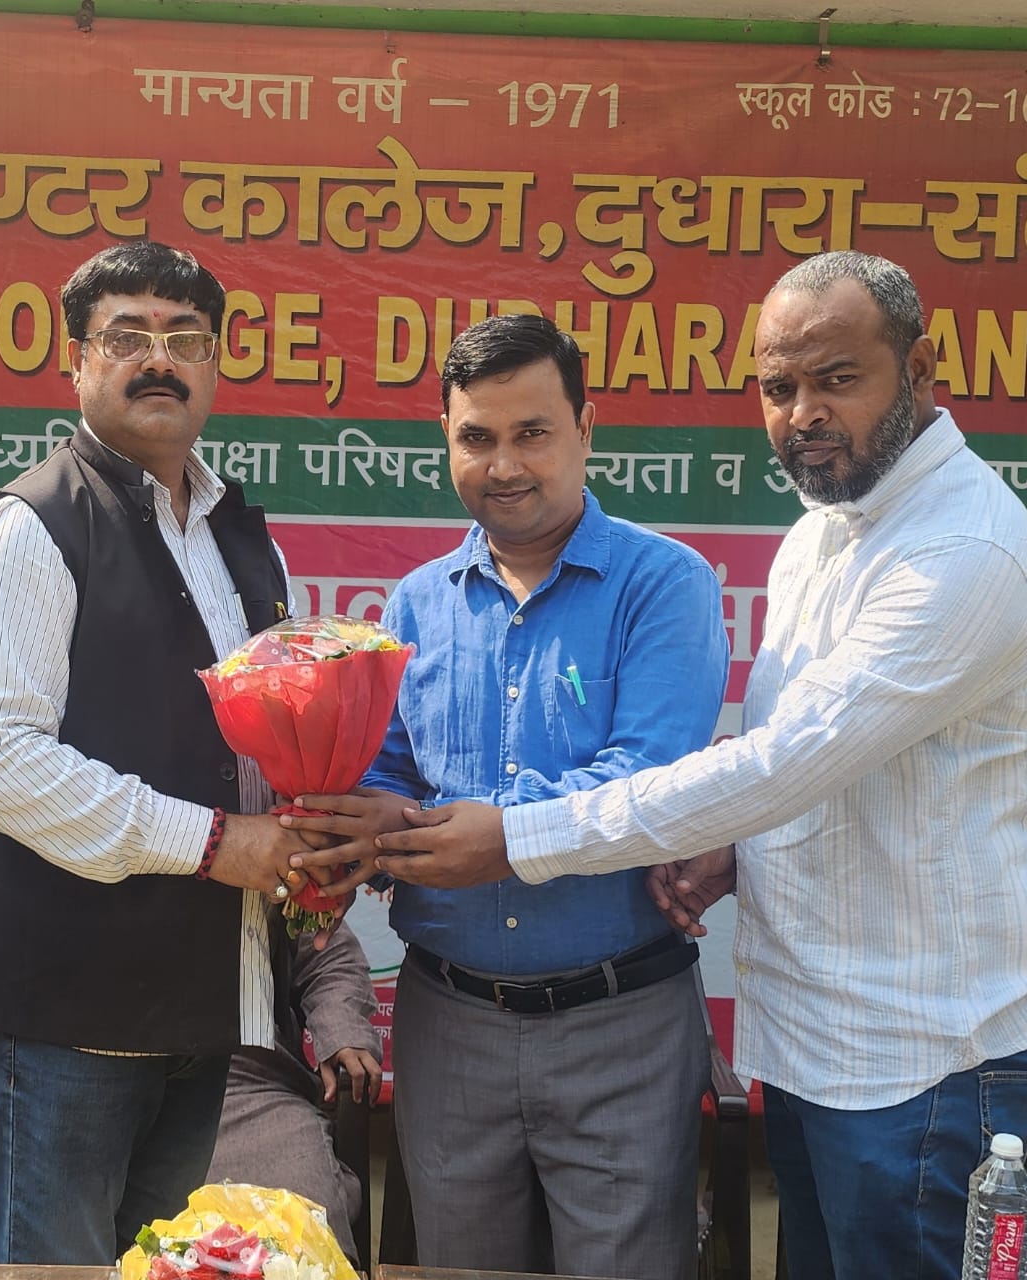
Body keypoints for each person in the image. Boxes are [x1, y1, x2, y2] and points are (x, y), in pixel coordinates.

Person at [357, 252, 1027, 1280]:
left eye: (836, 378)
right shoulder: (824, 534)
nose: (803, 413)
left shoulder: (962, 550)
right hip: (822, 1043)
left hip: (928, 1052)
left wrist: (512, 837)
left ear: (919, 369)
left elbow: (785, 761)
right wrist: (733, 845)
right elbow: (799, 763)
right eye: (779, 386)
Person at [286, 314, 730, 1279]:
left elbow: (649, 780)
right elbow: (390, 770)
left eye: (532, 433)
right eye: (476, 438)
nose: (504, 465)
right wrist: (355, 828)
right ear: (446, 441)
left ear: (585, 428)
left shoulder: (666, 584)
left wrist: (492, 834)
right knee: (459, 1267)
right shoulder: (416, 602)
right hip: (450, 1022)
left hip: (619, 1023)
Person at [0, 242, 323, 1265]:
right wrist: (215, 843)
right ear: (77, 361)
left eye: (185, 339)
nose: (159, 360)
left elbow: (261, 742)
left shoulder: (244, 539)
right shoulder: (27, 528)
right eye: (127, 337)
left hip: (197, 1009)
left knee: (152, 1264)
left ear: (216, 361)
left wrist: (311, 830)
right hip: (64, 1013)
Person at [207, 919, 382, 1265]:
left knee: (304, 1229)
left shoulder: (261, 884)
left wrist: (340, 1027)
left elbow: (328, 955)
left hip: (248, 1081)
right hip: (118, 1083)